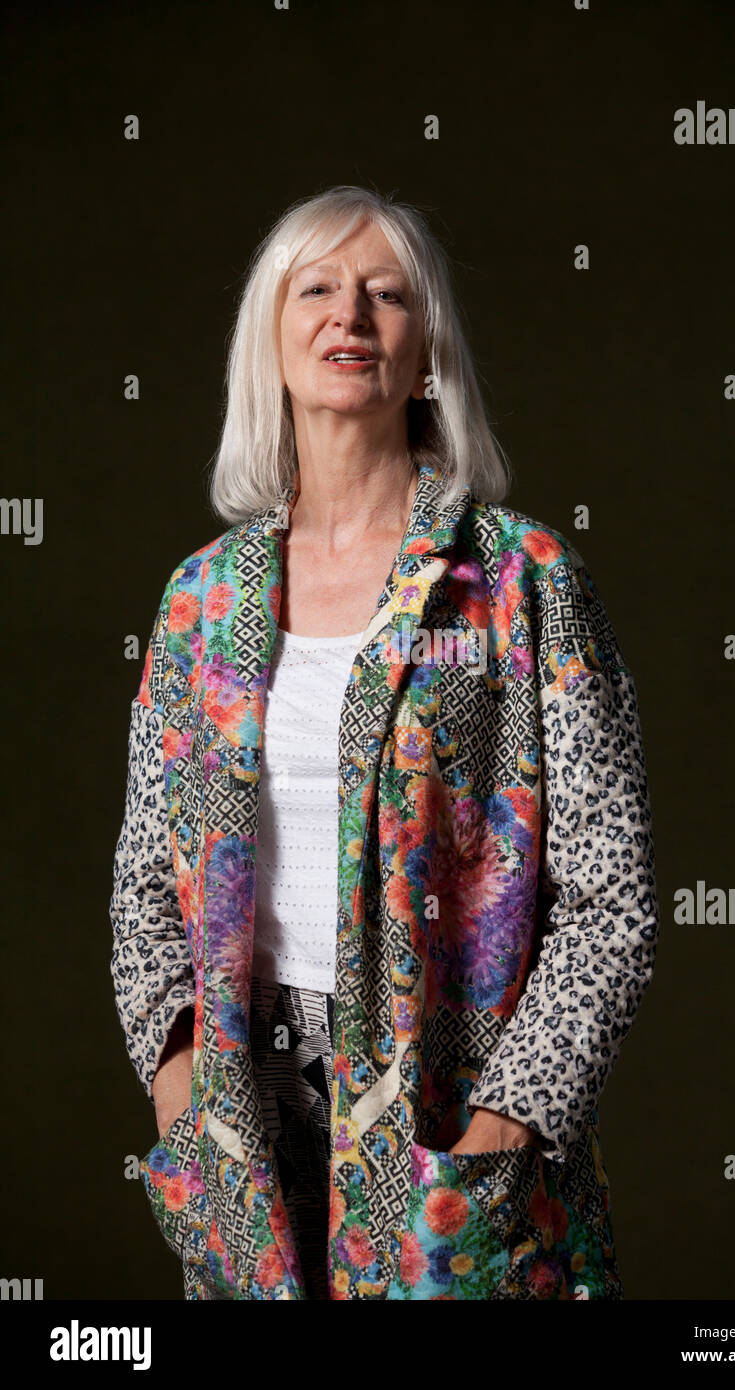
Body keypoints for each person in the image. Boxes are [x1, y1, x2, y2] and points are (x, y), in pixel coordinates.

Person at [109, 183, 660, 1301]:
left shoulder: (522, 581)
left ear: (427, 355)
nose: (347, 316)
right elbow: (140, 888)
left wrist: (504, 1128)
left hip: (452, 1115)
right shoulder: (199, 603)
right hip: (244, 1121)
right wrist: (179, 1092)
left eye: (385, 295)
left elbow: (612, 902)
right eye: (315, 289)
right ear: (270, 343)